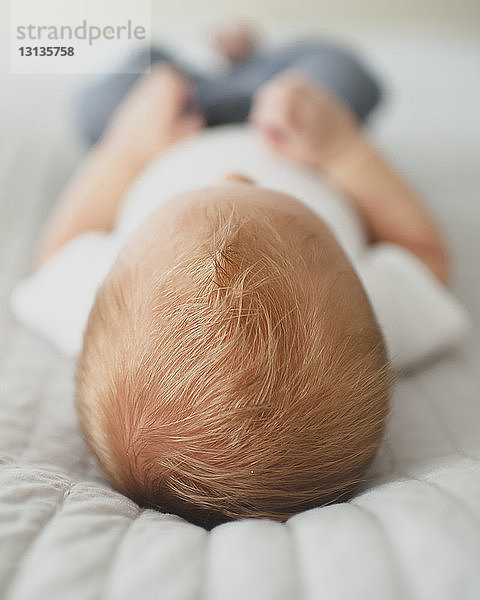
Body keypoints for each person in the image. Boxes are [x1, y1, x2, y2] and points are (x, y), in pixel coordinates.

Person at [11, 24, 468, 528]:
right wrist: (343, 152)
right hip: (298, 131)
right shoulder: (368, 323)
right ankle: (251, 66)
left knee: (125, 82)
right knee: (341, 72)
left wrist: (127, 149)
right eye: (255, 189)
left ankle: (212, 65)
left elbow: (59, 251)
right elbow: (425, 252)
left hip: (171, 133)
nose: (232, 176)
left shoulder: (104, 310)